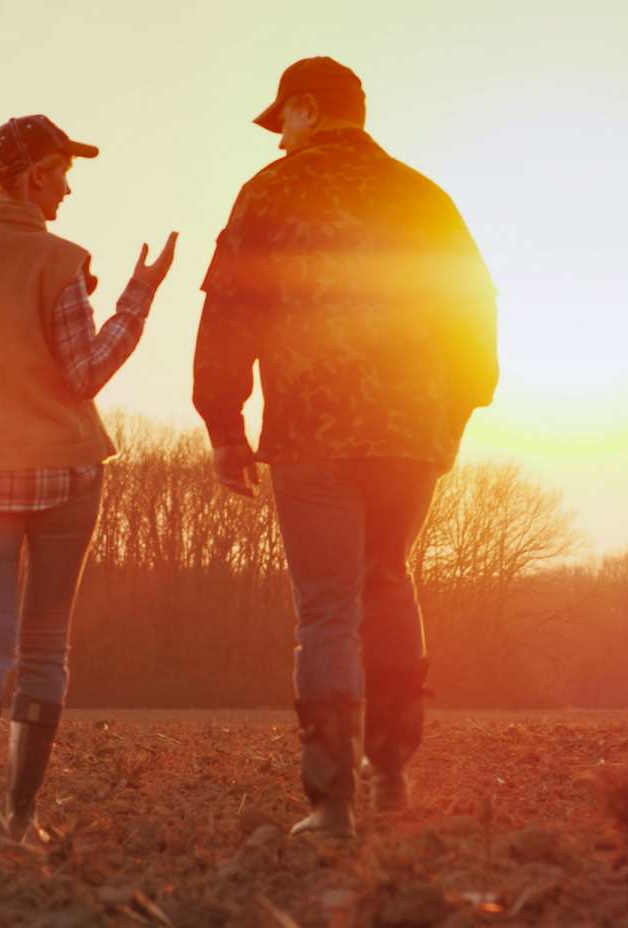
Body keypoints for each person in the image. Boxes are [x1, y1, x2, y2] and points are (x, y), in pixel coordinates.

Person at [192, 57, 498, 837]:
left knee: (326, 609)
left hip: (310, 430)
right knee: (388, 579)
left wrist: (223, 424)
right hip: (409, 433)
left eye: (281, 121)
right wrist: (455, 410)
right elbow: (474, 309)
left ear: (306, 109)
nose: (279, 137)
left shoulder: (270, 192)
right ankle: (389, 774)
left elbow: (229, 311)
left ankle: (332, 805)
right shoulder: (423, 196)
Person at [0, 115, 176, 842]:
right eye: (63, 172)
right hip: (60, 470)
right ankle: (20, 816)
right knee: (45, 645)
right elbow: (85, 373)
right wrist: (137, 299)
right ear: (37, 175)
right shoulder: (61, 261)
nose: (69, 187)